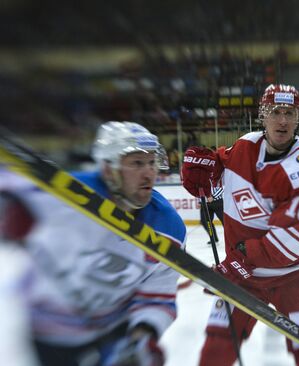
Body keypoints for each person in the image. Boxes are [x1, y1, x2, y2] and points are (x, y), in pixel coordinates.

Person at [0, 121, 187, 366]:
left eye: (151, 162)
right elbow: (10, 183)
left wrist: (143, 335)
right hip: (49, 332)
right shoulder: (64, 195)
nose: (149, 172)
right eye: (137, 163)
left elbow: (158, 293)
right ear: (109, 170)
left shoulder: (168, 228)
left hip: (114, 333)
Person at [181, 84, 299, 365]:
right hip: (245, 279)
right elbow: (218, 174)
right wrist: (203, 171)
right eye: (275, 112)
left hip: (297, 278)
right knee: (216, 349)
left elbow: (294, 241)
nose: (283, 120)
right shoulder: (245, 145)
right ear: (263, 115)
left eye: (290, 112)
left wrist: (235, 263)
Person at [199, 181, 224, 245]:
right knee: (205, 221)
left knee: (225, 221)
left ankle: (232, 238)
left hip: (217, 202)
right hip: (204, 203)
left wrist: (213, 197)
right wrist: (200, 199)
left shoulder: (215, 174)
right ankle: (213, 238)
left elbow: (223, 187)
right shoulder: (198, 176)